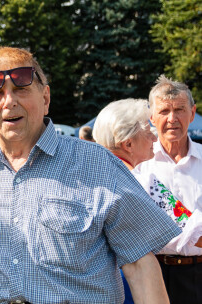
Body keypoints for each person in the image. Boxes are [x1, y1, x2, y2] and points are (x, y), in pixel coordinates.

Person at [0, 47, 182, 303]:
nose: (9, 100)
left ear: (45, 98)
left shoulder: (98, 166)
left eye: (21, 88)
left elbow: (141, 267)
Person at [131, 75, 202, 304]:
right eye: (164, 112)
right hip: (153, 273)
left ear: (192, 113)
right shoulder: (140, 164)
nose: (172, 119)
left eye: (180, 110)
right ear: (152, 117)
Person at [92, 98, 161, 304]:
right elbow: (186, 222)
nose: (154, 139)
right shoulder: (143, 180)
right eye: (149, 132)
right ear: (128, 144)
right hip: (131, 287)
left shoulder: (90, 175)